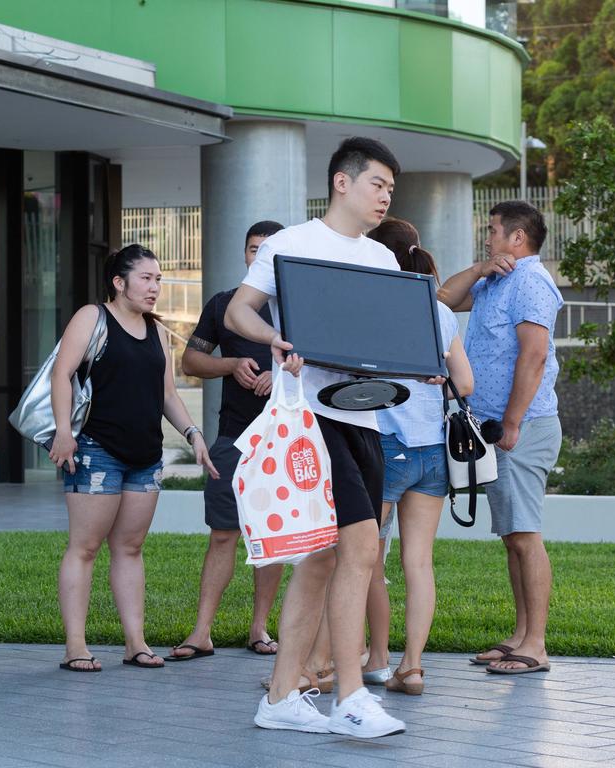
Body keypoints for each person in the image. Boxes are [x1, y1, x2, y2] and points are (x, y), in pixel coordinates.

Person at [227, 137, 418, 738]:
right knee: (361, 547)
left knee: (320, 558)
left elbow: (388, 339)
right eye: (377, 184)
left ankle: (281, 696)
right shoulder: (291, 244)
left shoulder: (384, 261)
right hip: (311, 419)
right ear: (342, 181)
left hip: (365, 417)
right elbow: (240, 312)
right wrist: (276, 342)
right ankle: (352, 696)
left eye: (391, 188)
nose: (386, 195)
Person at [50, 244, 219, 672]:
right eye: (146, 278)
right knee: (85, 547)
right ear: (119, 282)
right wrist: (64, 433)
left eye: (158, 279)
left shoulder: (158, 332)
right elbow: (61, 373)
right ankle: (75, 646)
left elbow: (167, 395)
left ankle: (135, 643)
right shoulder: (92, 318)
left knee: (130, 547)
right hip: (95, 450)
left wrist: (193, 434)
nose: (155, 287)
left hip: (145, 454)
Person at [438, 200, 563, 675]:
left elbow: (532, 357)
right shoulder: (496, 279)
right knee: (513, 536)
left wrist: (511, 422)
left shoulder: (530, 282)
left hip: (522, 429)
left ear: (517, 237)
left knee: (526, 536)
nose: (487, 237)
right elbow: (444, 300)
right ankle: (520, 635)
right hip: (496, 428)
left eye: (492, 231)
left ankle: (536, 644)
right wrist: (480, 267)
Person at [361, 218, 474, 695]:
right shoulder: (439, 311)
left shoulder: (377, 309)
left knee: (365, 560)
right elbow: (464, 385)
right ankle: (412, 666)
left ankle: (371, 658)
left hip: (388, 446)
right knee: (418, 563)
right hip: (433, 452)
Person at [166, 220, 286, 663]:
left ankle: (260, 628)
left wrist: (284, 375)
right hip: (233, 437)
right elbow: (192, 360)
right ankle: (201, 633)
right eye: (253, 249)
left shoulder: (297, 306)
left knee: (272, 539)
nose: (259, 257)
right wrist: (232, 364)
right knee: (223, 535)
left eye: (268, 250)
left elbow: (323, 368)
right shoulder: (223, 305)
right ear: (245, 254)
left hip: (283, 440)